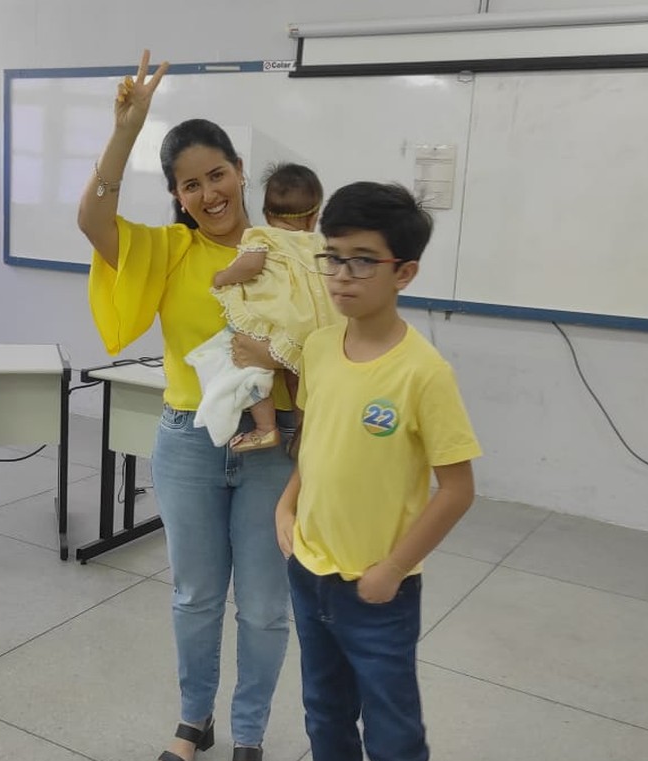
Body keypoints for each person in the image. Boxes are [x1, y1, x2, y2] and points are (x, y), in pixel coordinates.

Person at [77, 51, 294, 761]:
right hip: (189, 441)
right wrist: (126, 130)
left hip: (276, 448)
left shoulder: (287, 251)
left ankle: (251, 733)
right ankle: (193, 719)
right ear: (177, 195)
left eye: (218, 174)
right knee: (196, 596)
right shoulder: (168, 250)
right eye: (190, 184)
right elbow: (93, 218)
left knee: (263, 607)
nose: (209, 193)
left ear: (240, 172)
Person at [275, 182, 483, 761]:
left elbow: (459, 489)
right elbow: (313, 441)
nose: (342, 274)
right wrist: (285, 505)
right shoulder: (318, 347)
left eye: (362, 260)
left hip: (377, 590)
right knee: (324, 712)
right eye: (333, 257)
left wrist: (392, 568)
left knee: (393, 732)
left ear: (405, 273)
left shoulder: (424, 373)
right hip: (309, 569)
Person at [186, 163, 340, 452]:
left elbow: (251, 265)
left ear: (268, 214)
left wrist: (222, 277)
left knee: (248, 362)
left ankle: (265, 428)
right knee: (298, 379)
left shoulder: (262, 236)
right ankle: (303, 427)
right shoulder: (320, 242)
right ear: (314, 217)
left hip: (276, 317)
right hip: (314, 325)